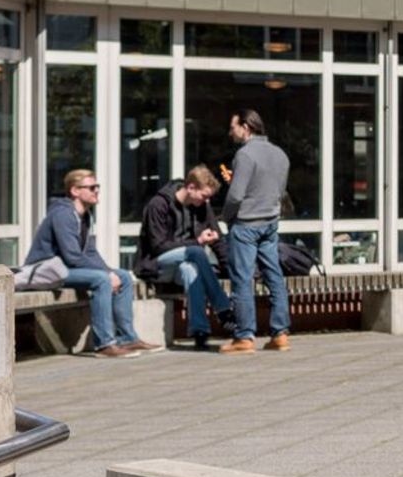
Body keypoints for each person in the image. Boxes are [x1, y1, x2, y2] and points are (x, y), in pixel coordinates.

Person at [28, 169, 153, 357]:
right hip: (46, 271)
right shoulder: (63, 215)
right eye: (92, 187)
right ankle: (104, 345)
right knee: (101, 280)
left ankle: (128, 338)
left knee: (124, 277)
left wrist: (110, 271)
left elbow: (90, 252)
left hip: (65, 269)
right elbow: (72, 256)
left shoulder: (84, 216)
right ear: (75, 191)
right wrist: (106, 274)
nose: (96, 191)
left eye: (97, 187)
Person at [138, 166, 235, 351]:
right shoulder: (159, 204)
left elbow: (218, 239)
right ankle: (223, 309)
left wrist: (230, 270)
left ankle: (199, 332)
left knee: (190, 270)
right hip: (157, 264)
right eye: (204, 196)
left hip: (184, 263)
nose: (206, 201)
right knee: (196, 251)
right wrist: (197, 241)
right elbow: (157, 246)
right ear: (190, 188)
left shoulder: (201, 207)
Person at [220, 110, 292, 355]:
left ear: (246, 127)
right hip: (270, 223)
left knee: (242, 280)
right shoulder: (280, 154)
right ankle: (280, 334)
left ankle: (244, 336)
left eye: (233, 127)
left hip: (246, 224)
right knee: (274, 277)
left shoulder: (245, 154)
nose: (231, 132)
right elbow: (279, 192)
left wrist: (227, 217)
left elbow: (237, 195)